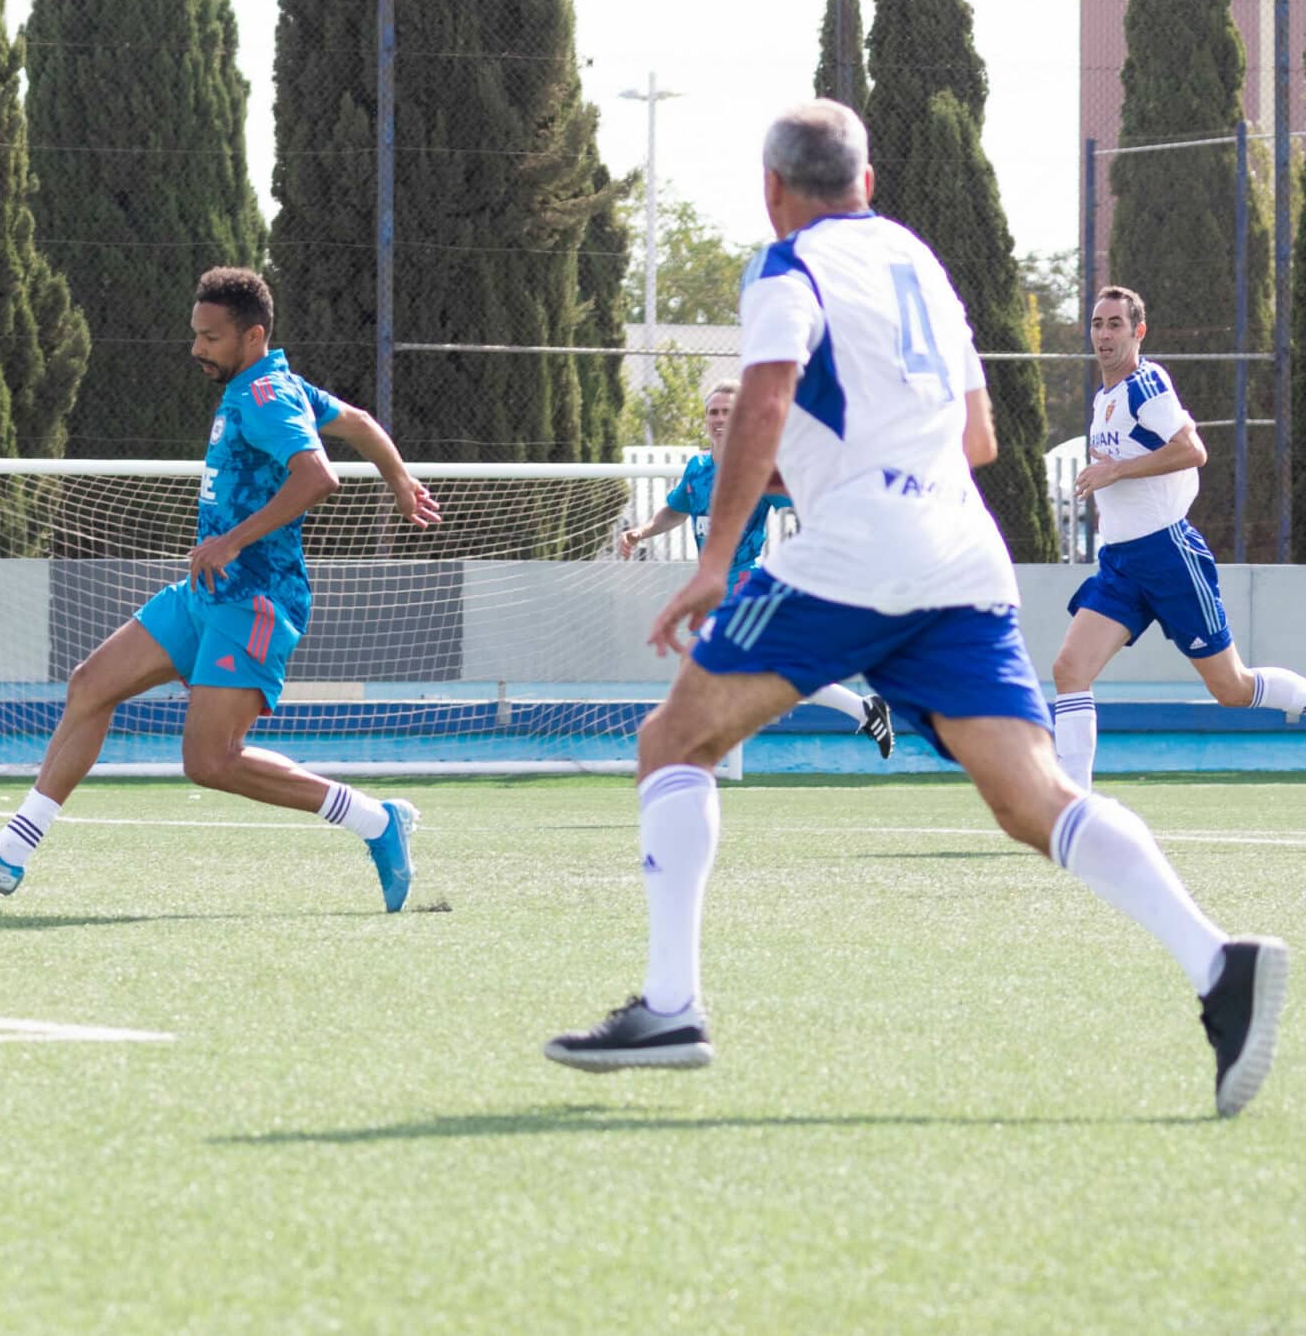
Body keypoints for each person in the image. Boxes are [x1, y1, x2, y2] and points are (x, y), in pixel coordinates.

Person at [544, 100, 1287, 1117]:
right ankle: (1217, 964)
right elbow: (977, 438)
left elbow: (761, 402)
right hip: (958, 550)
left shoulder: (785, 267)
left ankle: (671, 1004)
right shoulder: (920, 266)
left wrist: (715, 556)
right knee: (1032, 801)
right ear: (867, 182)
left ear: (772, 193)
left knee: (673, 741)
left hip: (857, 551)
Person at [0, 267, 441, 911]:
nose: (197, 349)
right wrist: (399, 479)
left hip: (254, 599)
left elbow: (318, 478)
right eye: (195, 335)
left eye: (210, 338)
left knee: (211, 762)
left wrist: (231, 540)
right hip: (205, 592)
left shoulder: (268, 395)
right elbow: (357, 420)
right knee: (90, 685)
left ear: (252, 336)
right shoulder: (274, 383)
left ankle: (376, 821)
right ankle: (13, 852)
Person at [1049, 286, 1306, 789]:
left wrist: (1118, 472)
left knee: (1232, 689)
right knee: (1069, 670)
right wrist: (1111, 489)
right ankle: (1071, 804)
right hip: (1121, 564)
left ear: (1137, 332)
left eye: (1115, 324)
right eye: (1098, 324)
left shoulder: (1146, 384)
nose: (1103, 334)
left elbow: (1192, 450)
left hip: (1168, 556)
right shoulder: (1106, 397)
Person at [620, 378, 896, 758]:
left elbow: (801, 501)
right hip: (714, 584)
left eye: (727, 413)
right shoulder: (698, 468)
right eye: (713, 412)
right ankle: (864, 710)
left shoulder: (758, 468)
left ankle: (687, 753)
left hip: (744, 580)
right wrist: (643, 530)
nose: (718, 419)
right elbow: (675, 510)